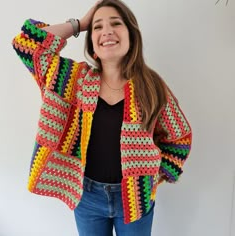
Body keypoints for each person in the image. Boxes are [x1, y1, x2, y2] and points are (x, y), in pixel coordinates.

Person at [12, 0, 192, 235]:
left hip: (136, 198)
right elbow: (27, 44)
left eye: (116, 23)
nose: (107, 30)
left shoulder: (151, 86)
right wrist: (80, 24)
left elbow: (179, 139)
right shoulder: (73, 80)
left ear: (131, 36)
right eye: (98, 27)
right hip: (86, 197)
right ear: (92, 44)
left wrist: (152, 176)